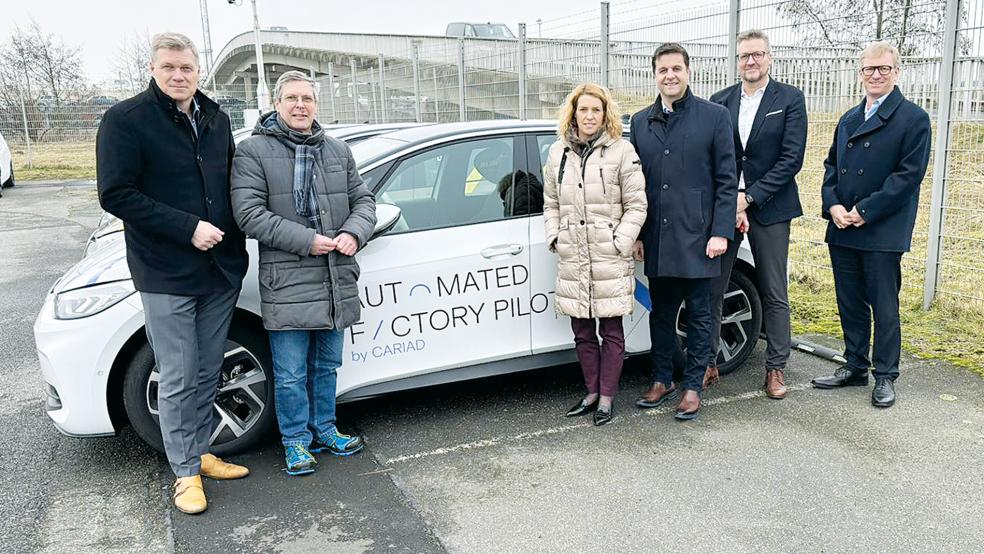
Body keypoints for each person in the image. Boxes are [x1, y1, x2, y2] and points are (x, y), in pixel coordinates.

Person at [97, 32, 249, 515]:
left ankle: (201, 452)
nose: (178, 76)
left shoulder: (217, 117)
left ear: (197, 69)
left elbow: (227, 183)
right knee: (179, 374)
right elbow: (116, 194)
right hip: (166, 271)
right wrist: (188, 228)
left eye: (186, 68)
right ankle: (184, 473)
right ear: (153, 68)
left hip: (220, 268)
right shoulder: (125, 121)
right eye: (169, 68)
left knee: (208, 369)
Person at [231, 71, 377, 474]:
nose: (300, 105)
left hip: (334, 278)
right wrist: (307, 239)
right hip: (289, 280)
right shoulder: (253, 152)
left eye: (307, 98)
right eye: (292, 98)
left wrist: (354, 232)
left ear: (316, 104)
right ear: (276, 104)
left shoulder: (336, 150)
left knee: (326, 366)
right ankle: (296, 442)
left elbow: (364, 200)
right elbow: (248, 214)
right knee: (291, 373)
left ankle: (325, 429)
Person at [812, 42, 931, 408]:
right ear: (860, 73)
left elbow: (907, 177)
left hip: (880, 227)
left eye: (883, 69)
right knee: (849, 301)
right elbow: (831, 167)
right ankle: (854, 365)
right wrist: (832, 205)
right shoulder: (849, 118)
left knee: (883, 303)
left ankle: (885, 374)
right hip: (843, 225)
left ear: (897, 72)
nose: (875, 75)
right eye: (869, 69)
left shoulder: (913, 119)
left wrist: (864, 210)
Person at [629, 43, 738, 421]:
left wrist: (720, 230)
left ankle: (693, 385)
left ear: (688, 72)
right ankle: (662, 379)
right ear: (655, 74)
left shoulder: (714, 116)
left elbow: (727, 179)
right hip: (658, 236)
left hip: (700, 237)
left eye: (676, 68)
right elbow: (636, 184)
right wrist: (640, 234)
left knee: (700, 315)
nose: (670, 76)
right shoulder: (641, 122)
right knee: (660, 313)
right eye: (663, 70)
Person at [708, 29, 807, 398]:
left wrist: (749, 198)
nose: (751, 61)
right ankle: (708, 362)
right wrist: (729, 199)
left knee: (773, 288)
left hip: (770, 206)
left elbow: (791, 159)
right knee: (714, 286)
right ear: (737, 61)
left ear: (769, 58)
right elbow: (716, 156)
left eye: (758, 55)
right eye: (744, 55)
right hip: (726, 207)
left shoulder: (790, 99)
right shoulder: (720, 102)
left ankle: (776, 368)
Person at [543, 82, 647, 426]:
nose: (589, 116)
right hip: (574, 255)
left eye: (596, 110)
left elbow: (636, 205)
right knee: (582, 331)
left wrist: (620, 241)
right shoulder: (559, 153)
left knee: (612, 330)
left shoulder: (621, 151)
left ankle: (606, 396)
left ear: (606, 114)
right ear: (573, 113)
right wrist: (556, 237)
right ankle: (590, 391)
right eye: (583, 109)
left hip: (608, 256)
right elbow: (551, 203)